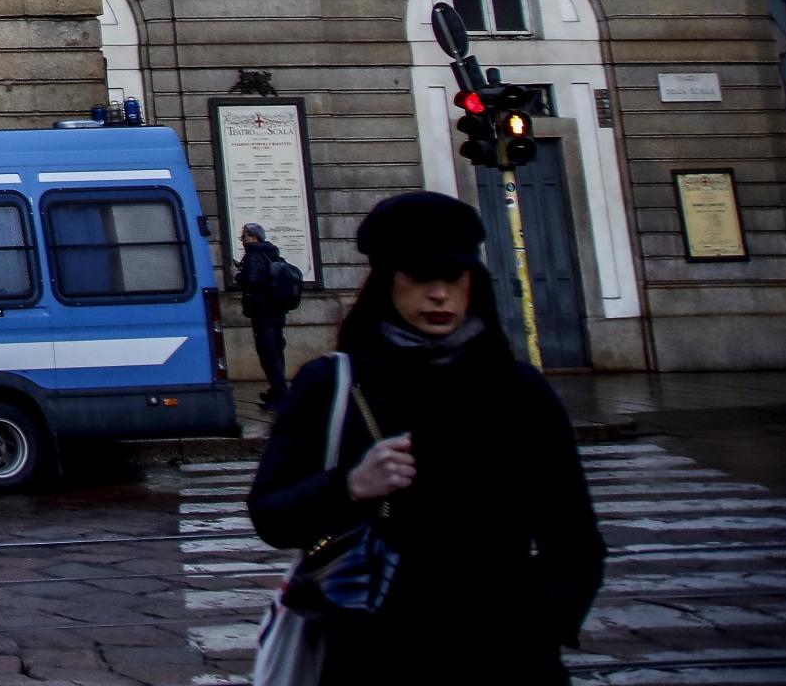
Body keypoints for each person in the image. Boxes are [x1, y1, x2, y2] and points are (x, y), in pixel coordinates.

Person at [248, 191, 604, 681]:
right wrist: (349, 486)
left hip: (507, 657)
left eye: (454, 278)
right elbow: (271, 515)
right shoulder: (332, 385)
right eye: (420, 278)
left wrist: (542, 624)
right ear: (387, 282)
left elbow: (575, 539)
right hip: (369, 654)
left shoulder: (519, 390)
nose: (439, 295)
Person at [234, 221, 303, 408]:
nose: (243, 240)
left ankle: (280, 393)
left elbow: (252, 280)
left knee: (267, 353)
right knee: (276, 350)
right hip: (277, 310)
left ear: (253, 237)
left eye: (244, 236)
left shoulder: (253, 254)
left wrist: (239, 276)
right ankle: (276, 390)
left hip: (262, 311)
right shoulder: (272, 252)